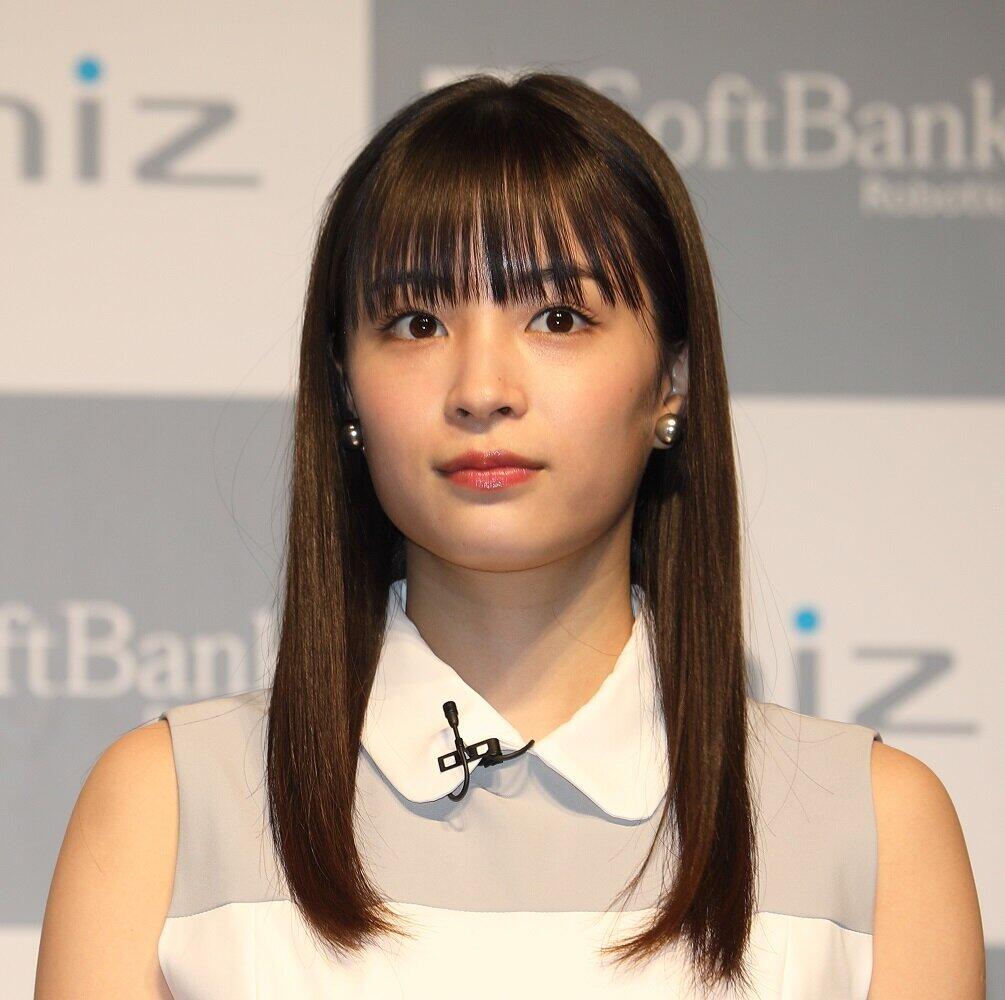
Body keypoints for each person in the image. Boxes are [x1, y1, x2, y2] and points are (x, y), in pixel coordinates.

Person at [35, 71, 985, 999]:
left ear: (672, 381)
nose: (481, 389)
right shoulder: (170, 808)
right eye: (416, 322)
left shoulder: (869, 826)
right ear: (344, 384)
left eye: (557, 317)